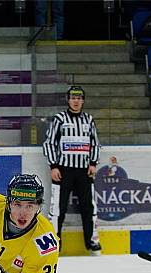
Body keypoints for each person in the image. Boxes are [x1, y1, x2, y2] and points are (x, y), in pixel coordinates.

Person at [41, 85, 101, 255]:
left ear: (83, 101)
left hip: (84, 171)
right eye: (73, 98)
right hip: (63, 171)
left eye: (79, 98)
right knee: (58, 209)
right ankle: (54, 243)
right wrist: (53, 166)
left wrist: (93, 163)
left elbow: (95, 143)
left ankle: (92, 241)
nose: (76, 101)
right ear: (68, 100)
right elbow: (49, 143)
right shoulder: (60, 119)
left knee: (89, 207)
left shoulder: (89, 119)